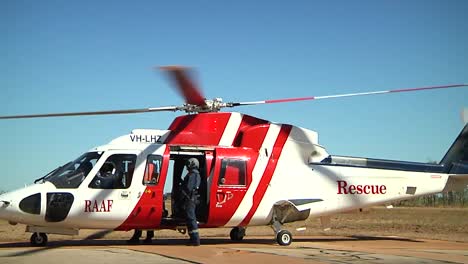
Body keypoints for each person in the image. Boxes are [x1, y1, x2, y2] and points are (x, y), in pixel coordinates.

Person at [181, 157, 201, 246]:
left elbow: (189, 188)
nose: (187, 167)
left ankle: (195, 239)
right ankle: (193, 238)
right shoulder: (195, 174)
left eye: (188, 164)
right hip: (192, 198)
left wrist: (183, 193)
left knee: (191, 217)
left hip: (190, 198)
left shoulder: (193, 175)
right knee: (190, 217)